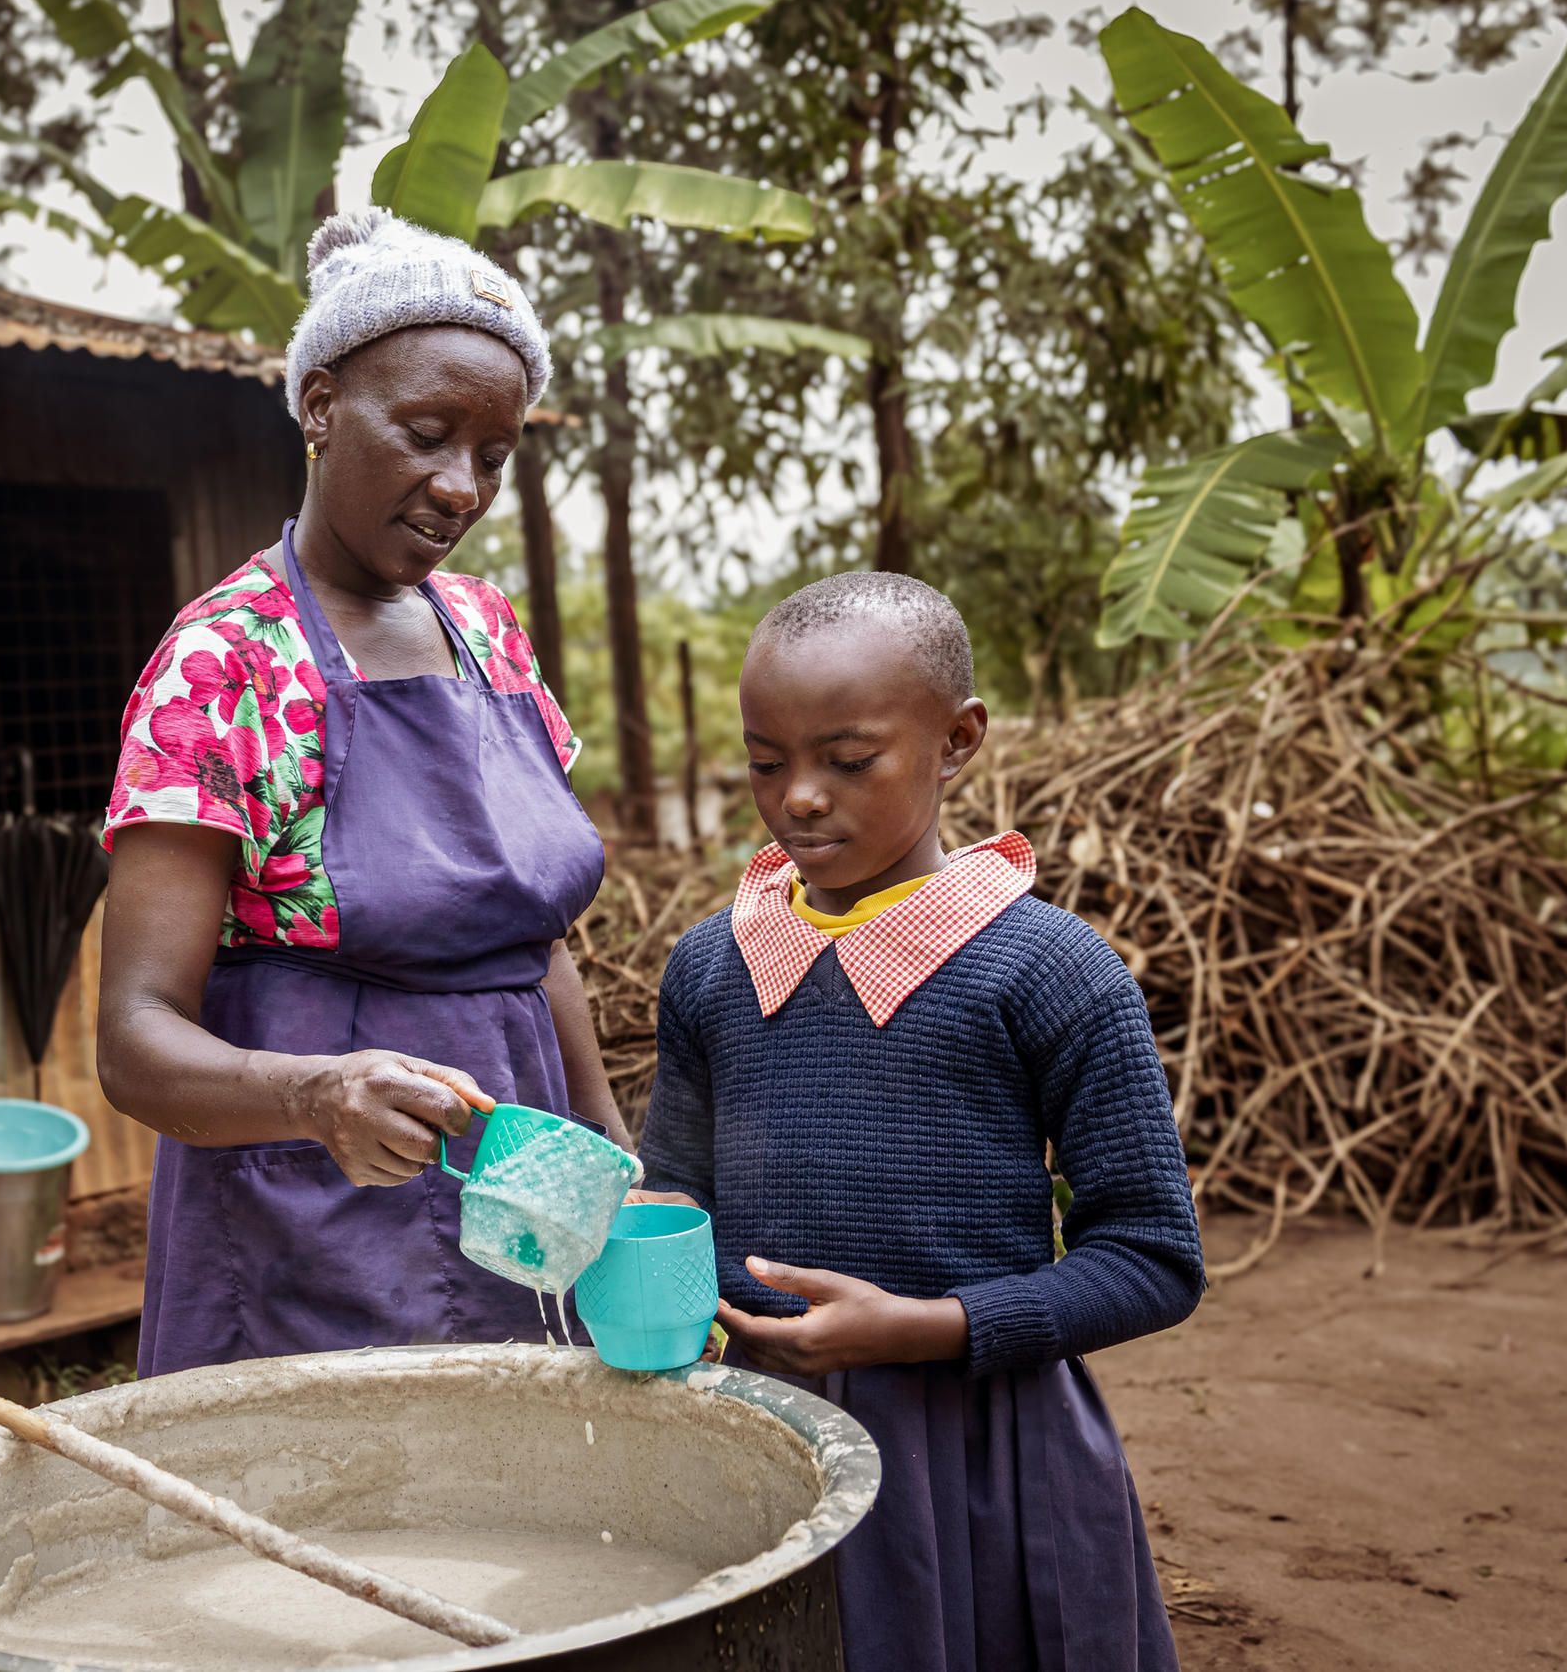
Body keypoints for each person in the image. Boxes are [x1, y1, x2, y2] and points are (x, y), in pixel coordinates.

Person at [634, 572, 1202, 1672]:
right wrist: (639, 1238)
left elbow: (1151, 1257)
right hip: (761, 1432)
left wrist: (927, 1324)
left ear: (958, 740)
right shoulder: (712, 966)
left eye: (848, 761)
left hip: (976, 1456)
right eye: (764, 761)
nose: (798, 795)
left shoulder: (1051, 972)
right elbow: (678, 1188)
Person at [97, 207, 627, 1378]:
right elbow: (133, 1041)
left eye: (493, 456)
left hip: (518, 1193)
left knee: (525, 1522)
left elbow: (533, 936)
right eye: (427, 432)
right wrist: (319, 1094)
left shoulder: (488, 630)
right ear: (323, 407)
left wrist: (604, 1144)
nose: (460, 487)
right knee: (339, 1530)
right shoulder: (225, 664)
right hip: (308, 1221)